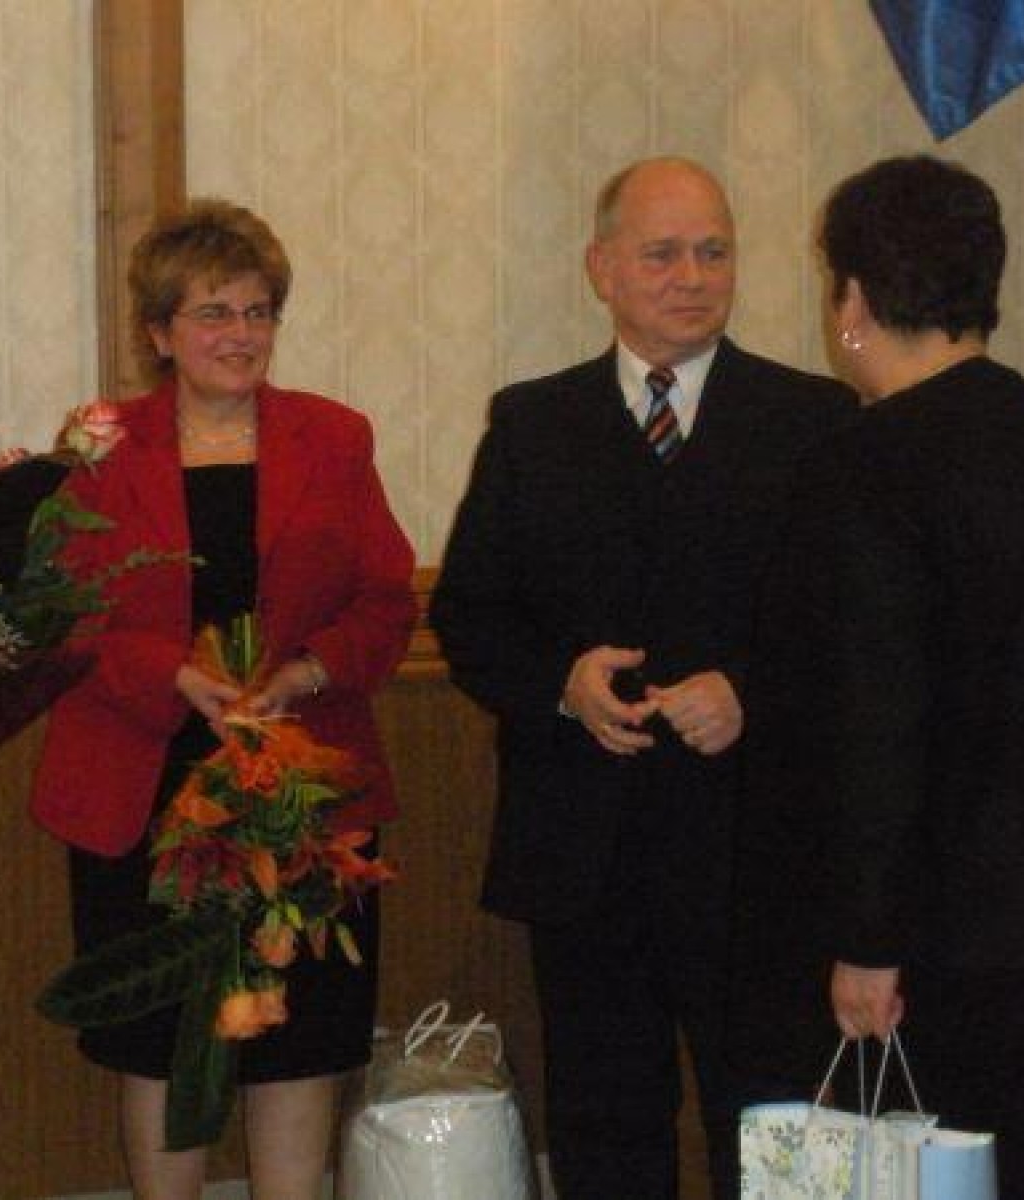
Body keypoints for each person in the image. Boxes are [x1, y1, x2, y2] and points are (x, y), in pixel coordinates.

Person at [429, 157, 855, 1200]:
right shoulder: (532, 423)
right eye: (661, 253)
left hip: (758, 851)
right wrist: (561, 684)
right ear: (601, 268)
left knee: (776, 1123)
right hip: (587, 849)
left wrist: (748, 689)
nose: (691, 277)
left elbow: (854, 626)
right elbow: (468, 616)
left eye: (713, 251)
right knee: (603, 1124)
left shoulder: (815, 419)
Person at [29, 198, 416, 1200]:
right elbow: (61, 616)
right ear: (159, 332)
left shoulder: (334, 437)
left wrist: (306, 672)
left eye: (256, 311)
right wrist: (170, 672)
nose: (239, 334)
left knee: (301, 1035)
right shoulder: (100, 448)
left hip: (303, 781)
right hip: (144, 783)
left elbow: (385, 600)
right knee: (161, 1039)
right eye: (211, 312)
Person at [730, 155, 1024, 1195]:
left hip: (927, 937)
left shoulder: (860, 468)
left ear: (853, 300)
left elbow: (874, 718)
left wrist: (866, 942)